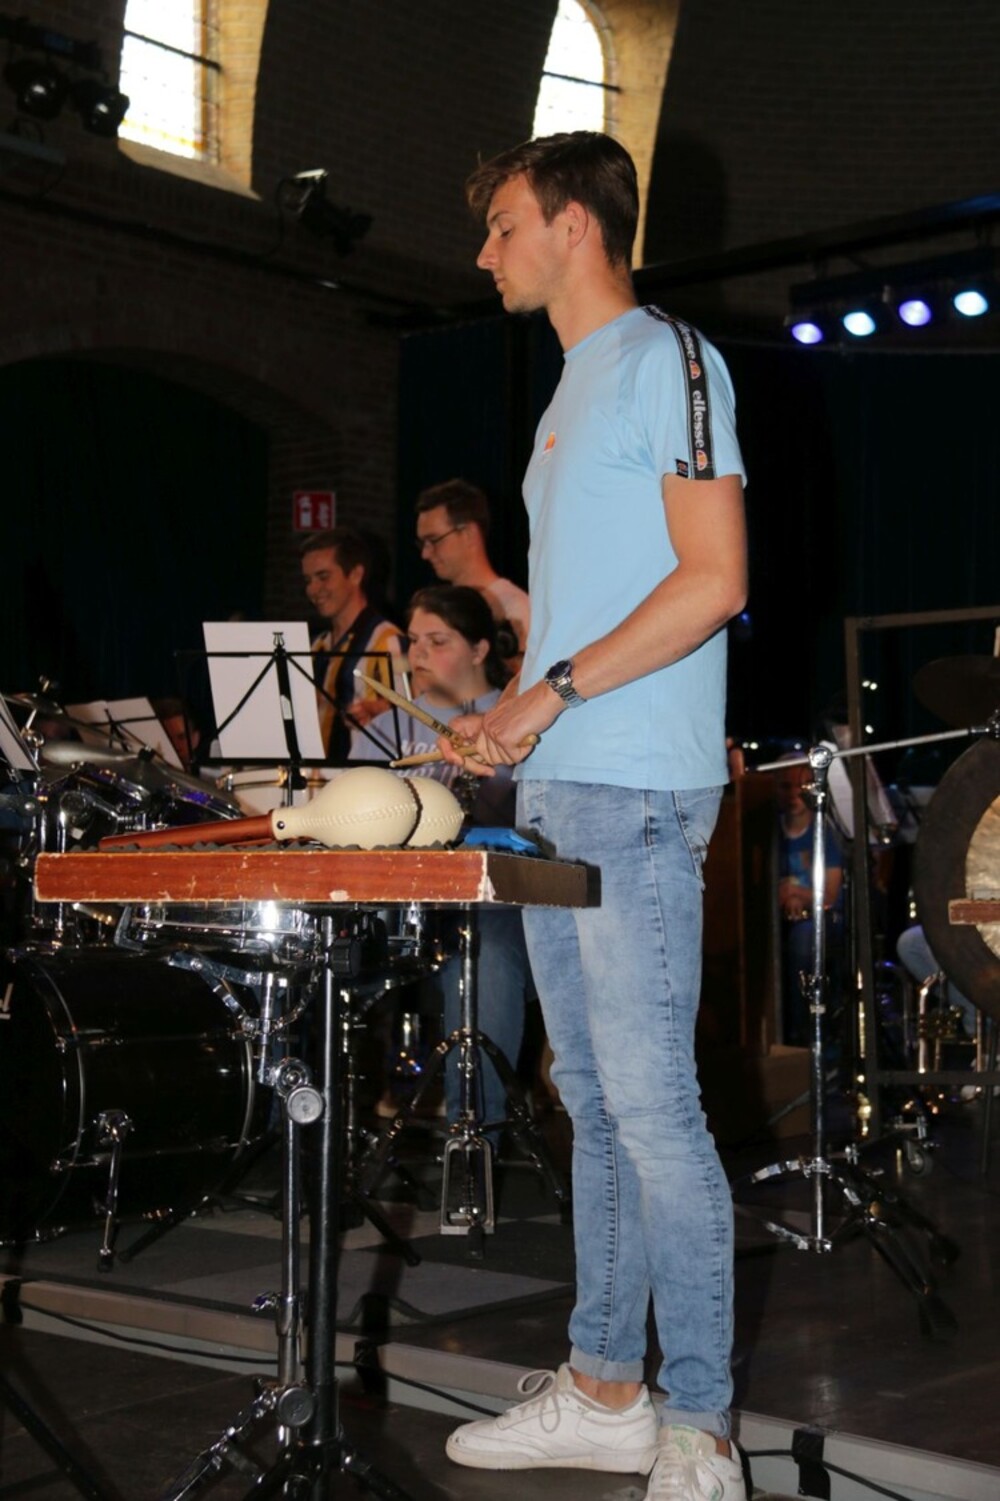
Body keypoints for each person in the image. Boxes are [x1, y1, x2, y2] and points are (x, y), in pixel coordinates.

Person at [440, 132, 748, 1501]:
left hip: (635, 788)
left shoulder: (669, 359)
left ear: (573, 224)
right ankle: (608, 1387)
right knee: (594, 1099)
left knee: (656, 1109)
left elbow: (714, 579)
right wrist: (507, 711)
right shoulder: (568, 387)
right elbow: (586, 613)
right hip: (565, 787)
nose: (485, 253)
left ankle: (701, 1426)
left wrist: (547, 695)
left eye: (503, 224)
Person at [355, 584, 530, 1130]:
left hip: (491, 900)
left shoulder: (517, 720)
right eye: (413, 641)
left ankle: (472, 1137)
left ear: (480, 649)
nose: (420, 654)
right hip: (400, 897)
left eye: (438, 640)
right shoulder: (383, 728)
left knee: (484, 954)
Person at [301, 527, 404, 762]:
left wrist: (380, 712)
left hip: (364, 775)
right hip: (317, 775)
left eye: (323, 577)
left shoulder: (387, 640)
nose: (312, 589)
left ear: (356, 575)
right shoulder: (317, 646)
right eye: (308, 580)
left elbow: (413, 714)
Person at [415, 479, 531, 659]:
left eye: (434, 540)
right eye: (422, 543)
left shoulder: (515, 608)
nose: (425, 553)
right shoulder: (439, 606)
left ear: (468, 534)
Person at [774, 756, 845, 1047]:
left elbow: (829, 894)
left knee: (803, 942)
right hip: (778, 917)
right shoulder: (770, 829)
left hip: (820, 919)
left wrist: (793, 893)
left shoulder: (825, 832)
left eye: (801, 786)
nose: (794, 794)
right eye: (785, 786)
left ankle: (803, 1034)